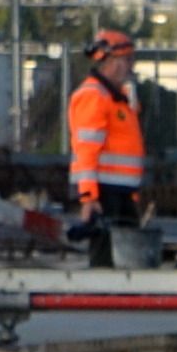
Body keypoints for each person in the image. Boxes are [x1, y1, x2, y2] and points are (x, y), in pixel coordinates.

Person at [65, 27, 146, 265]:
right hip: (105, 194)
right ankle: (102, 300)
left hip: (119, 194)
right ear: (111, 61)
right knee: (107, 260)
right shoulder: (94, 96)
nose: (131, 66)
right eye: (127, 60)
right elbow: (86, 151)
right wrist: (89, 197)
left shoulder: (118, 98)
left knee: (123, 260)